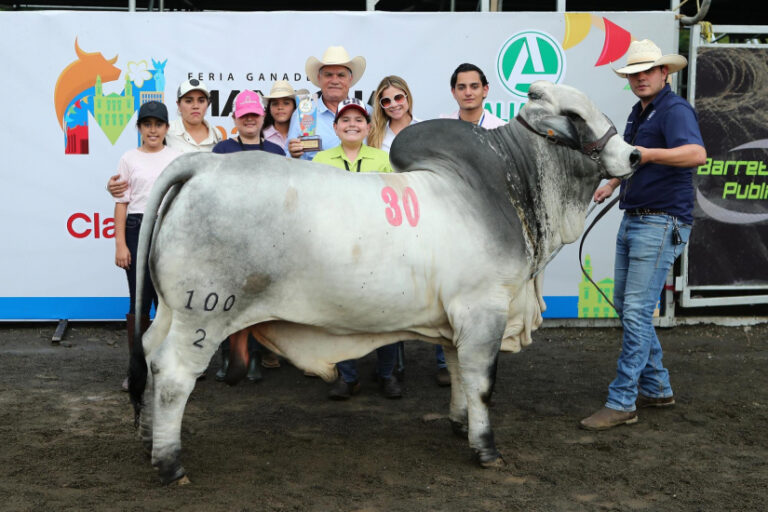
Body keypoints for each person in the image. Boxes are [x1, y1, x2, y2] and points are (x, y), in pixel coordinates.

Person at [580, 39, 707, 431]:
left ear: (663, 73)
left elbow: (696, 155)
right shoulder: (640, 111)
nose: (639, 78)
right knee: (627, 304)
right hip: (640, 218)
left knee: (633, 309)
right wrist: (615, 182)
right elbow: (633, 159)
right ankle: (656, 387)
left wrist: (647, 155)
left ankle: (622, 401)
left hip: (660, 221)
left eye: (647, 71)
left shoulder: (674, 109)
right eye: (634, 73)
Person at [311, 98, 401, 400]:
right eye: (345, 120)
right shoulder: (321, 161)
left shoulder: (381, 159)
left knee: (386, 315)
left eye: (358, 120)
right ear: (335, 127)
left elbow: (394, 203)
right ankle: (348, 377)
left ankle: (386, 374)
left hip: (379, 248)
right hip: (337, 251)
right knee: (342, 315)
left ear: (369, 126)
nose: (352, 125)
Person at [367, 75, 449, 387]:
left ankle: (443, 360)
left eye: (398, 98)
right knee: (395, 286)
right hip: (391, 217)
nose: (392, 105)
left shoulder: (428, 129)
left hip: (427, 213)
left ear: (408, 98)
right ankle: (395, 357)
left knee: (438, 286)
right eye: (386, 101)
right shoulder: (374, 134)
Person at [210, 89, 284, 378]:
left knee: (258, 302)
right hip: (229, 238)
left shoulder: (277, 152)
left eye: (254, 115)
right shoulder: (222, 150)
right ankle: (227, 357)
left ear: (262, 117)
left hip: (266, 239)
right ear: (234, 118)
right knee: (227, 300)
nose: (250, 120)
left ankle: (254, 358)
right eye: (244, 116)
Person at [112, 101, 180, 391]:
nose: (153, 130)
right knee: (138, 302)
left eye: (158, 124)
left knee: (168, 302)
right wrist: (120, 244)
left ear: (166, 128)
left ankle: (166, 368)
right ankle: (137, 370)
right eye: (147, 124)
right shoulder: (128, 158)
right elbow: (121, 203)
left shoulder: (176, 158)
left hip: (169, 228)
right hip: (136, 228)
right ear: (139, 128)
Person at [287, 45, 367, 160]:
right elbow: (288, 158)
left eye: (341, 75)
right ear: (319, 78)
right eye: (328, 75)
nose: (334, 81)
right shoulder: (303, 113)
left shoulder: (368, 112)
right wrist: (293, 154)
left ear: (350, 79)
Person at [443, 63, 506, 128]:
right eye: (461, 88)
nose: (468, 93)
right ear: (454, 92)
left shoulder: (501, 129)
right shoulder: (442, 127)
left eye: (474, 87)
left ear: (485, 90)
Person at [262, 80, 307, 154]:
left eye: (286, 103)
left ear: (294, 107)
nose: (280, 107)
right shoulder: (261, 136)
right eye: (275, 103)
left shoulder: (305, 134)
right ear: (269, 108)